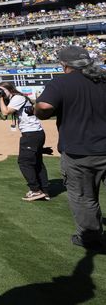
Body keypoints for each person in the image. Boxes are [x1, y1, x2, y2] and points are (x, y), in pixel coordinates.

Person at [35, 45, 106, 251]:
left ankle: (90, 239)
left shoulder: (61, 82)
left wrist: (37, 105)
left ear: (64, 65)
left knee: (84, 197)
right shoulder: (102, 78)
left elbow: (45, 108)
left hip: (79, 151)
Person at [0, 82, 49, 201]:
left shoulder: (18, 98)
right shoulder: (11, 99)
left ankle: (36, 190)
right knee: (36, 162)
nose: (0, 92)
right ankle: (44, 191)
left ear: (9, 89)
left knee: (24, 162)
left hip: (31, 134)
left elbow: (5, 112)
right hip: (34, 133)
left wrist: (0, 97)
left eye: (1, 90)